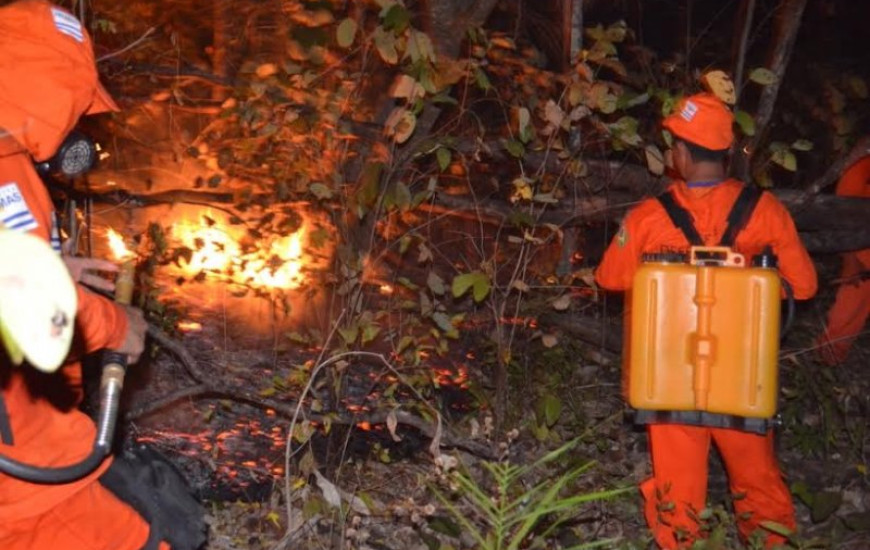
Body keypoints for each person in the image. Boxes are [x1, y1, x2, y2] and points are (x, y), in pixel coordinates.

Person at [595, 92, 817, 548]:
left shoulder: (648, 217)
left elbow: (609, 277)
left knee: (677, 498)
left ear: (678, 152)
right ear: (728, 152)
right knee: (759, 490)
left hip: (669, 380)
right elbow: (805, 285)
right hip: (741, 378)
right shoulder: (766, 211)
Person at [0, 2, 169, 548]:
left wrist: (54, 267)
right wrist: (115, 326)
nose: (78, 123)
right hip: (21, 471)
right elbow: (18, 305)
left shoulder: (10, 155)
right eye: (74, 102)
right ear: (48, 88)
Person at [815, 152, 870, 365]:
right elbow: (844, 208)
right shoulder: (862, 159)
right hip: (859, 245)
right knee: (854, 296)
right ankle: (830, 353)